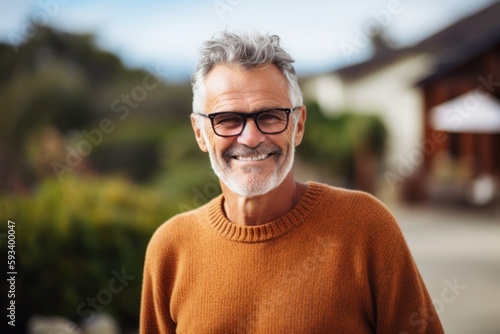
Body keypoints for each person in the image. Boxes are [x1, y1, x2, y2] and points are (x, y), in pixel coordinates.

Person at [140, 31, 444, 333]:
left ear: (298, 125)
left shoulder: (366, 226)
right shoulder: (170, 248)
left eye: (270, 116)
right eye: (228, 119)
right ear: (199, 133)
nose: (250, 138)